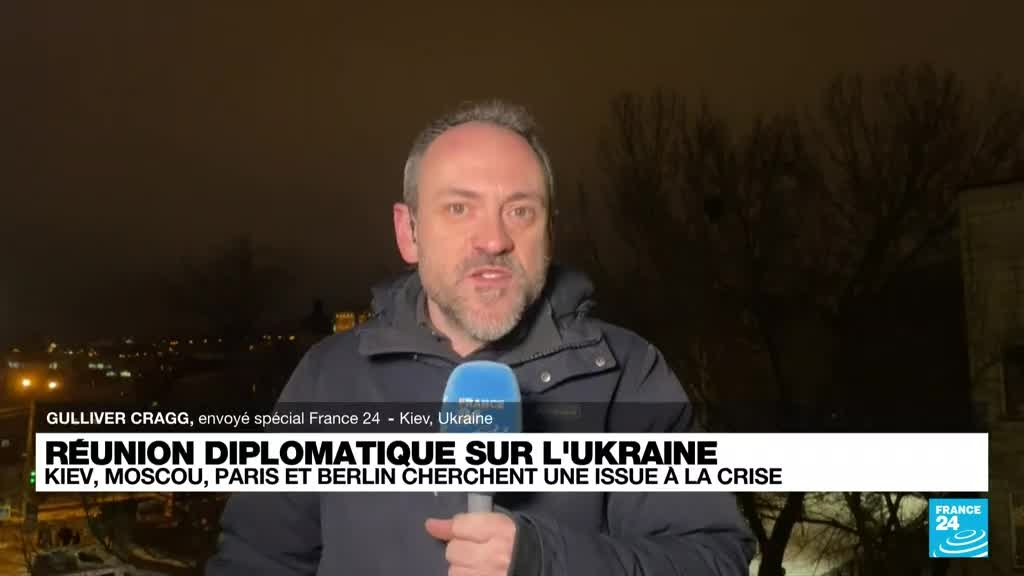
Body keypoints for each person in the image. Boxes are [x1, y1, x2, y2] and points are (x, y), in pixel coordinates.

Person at [206, 100, 756, 575]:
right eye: (458, 208)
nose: (493, 239)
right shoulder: (329, 378)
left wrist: (547, 561)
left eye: (520, 210)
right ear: (408, 231)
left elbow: (714, 560)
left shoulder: (626, 375)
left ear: (550, 231)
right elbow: (257, 561)